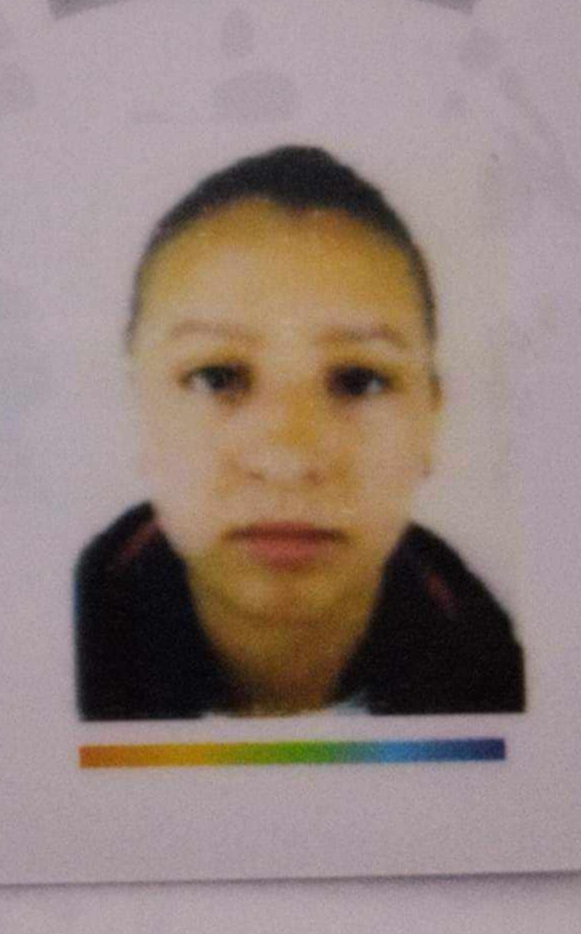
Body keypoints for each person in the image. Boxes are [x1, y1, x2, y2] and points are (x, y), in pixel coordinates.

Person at [75, 145, 525, 719]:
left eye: (359, 380)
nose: (287, 460)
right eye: (217, 377)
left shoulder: (509, 689)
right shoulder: (48, 669)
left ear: (430, 422)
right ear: (138, 411)